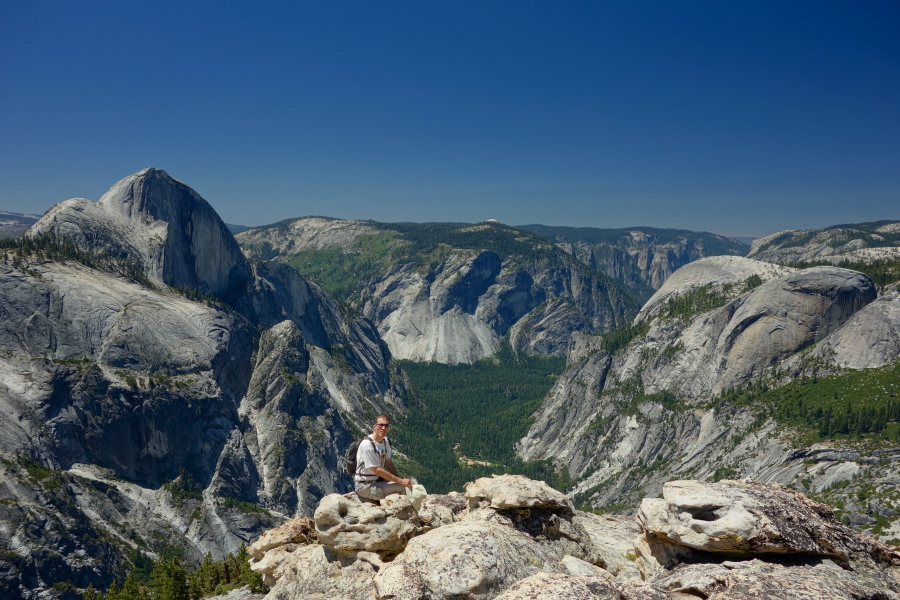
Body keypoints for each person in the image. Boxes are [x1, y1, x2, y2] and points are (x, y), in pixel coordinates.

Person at [354, 414, 412, 500]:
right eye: (380, 425)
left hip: (377, 482)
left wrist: (401, 481)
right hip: (366, 486)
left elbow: (389, 464)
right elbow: (377, 470)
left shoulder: (385, 441)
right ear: (374, 427)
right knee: (406, 489)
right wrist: (401, 482)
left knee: (406, 485)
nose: (383, 428)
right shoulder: (367, 445)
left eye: (386, 425)